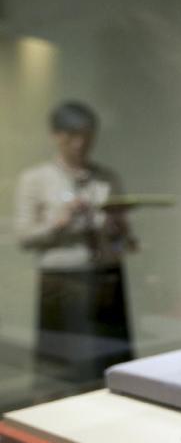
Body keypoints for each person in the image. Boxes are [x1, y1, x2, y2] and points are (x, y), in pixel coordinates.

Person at [14, 102, 136, 379]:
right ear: (56, 136)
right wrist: (59, 222)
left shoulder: (106, 178)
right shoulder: (35, 180)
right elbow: (24, 237)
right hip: (62, 281)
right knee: (64, 370)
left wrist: (119, 230)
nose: (80, 144)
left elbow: (122, 240)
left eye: (87, 136)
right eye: (72, 136)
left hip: (105, 278)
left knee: (110, 363)